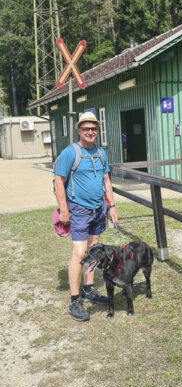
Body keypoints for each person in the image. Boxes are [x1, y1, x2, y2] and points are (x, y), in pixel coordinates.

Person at [54, 111, 118, 321]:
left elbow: (106, 180)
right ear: (78, 130)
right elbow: (58, 181)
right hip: (78, 209)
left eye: (93, 128)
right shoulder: (70, 153)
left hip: (98, 208)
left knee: (93, 250)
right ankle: (75, 300)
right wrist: (64, 209)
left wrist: (111, 205)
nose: (90, 132)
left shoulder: (101, 153)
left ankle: (88, 289)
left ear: (97, 130)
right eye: (86, 128)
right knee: (80, 253)